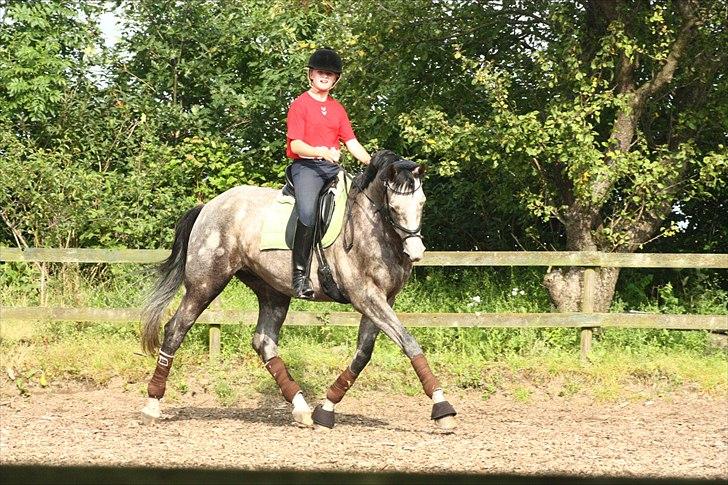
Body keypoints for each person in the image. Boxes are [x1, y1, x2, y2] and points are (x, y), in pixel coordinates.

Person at [286, 47, 371, 299]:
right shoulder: (299, 105)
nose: (324, 77)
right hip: (307, 169)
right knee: (309, 212)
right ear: (311, 75)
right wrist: (320, 151)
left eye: (330, 74)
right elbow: (295, 145)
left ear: (336, 80)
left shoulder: (338, 109)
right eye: (320, 72)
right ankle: (300, 276)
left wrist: (372, 162)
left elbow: (352, 142)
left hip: (332, 170)